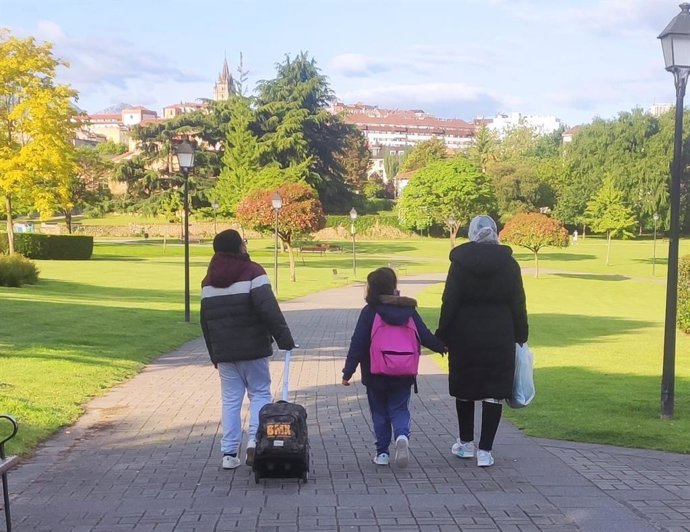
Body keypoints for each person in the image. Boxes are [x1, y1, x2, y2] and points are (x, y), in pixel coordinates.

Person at [436, 215, 528, 467]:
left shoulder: (459, 263)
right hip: (499, 332)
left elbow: (450, 301)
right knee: (494, 392)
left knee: (465, 390)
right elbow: (518, 303)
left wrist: (442, 334)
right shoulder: (510, 265)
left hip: (464, 333)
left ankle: (465, 444)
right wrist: (521, 335)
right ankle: (485, 450)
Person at [200, 229, 295, 470]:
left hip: (224, 352)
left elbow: (205, 321)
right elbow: (268, 309)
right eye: (243, 242)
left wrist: (214, 353)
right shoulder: (254, 272)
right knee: (260, 393)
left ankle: (229, 453)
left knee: (231, 400)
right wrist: (284, 339)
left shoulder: (208, 281)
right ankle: (255, 439)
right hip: (253, 347)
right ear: (239, 247)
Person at [342, 267, 446, 467]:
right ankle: (402, 436)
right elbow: (423, 335)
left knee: (379, 412)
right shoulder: (408, 310)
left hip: (375, 373)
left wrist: (348, 372)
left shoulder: (370, 312)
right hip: (403, 371)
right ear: (393, 286)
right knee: (399, 408)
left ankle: (382, 453)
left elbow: (358, 343)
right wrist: (441, 347)